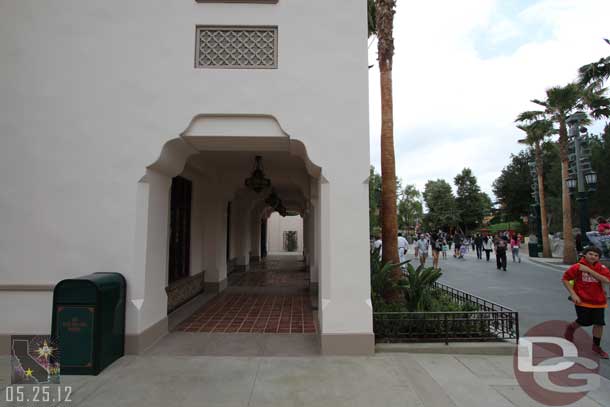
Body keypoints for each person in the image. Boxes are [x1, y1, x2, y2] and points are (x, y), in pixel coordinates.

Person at [562, 246, 610, 359]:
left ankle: (596, 346)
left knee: (599, 323)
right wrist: (573, 294)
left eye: (596, 255)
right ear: (584, 255)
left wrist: (589, 270)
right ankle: (571, 327)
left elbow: (607, 280)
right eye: (590, 254)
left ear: (598, 258)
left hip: (599, 301)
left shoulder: (601, 267)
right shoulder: (577, 267)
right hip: (582, 300)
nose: (593, 256)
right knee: (584, 322)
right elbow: (565, 279)